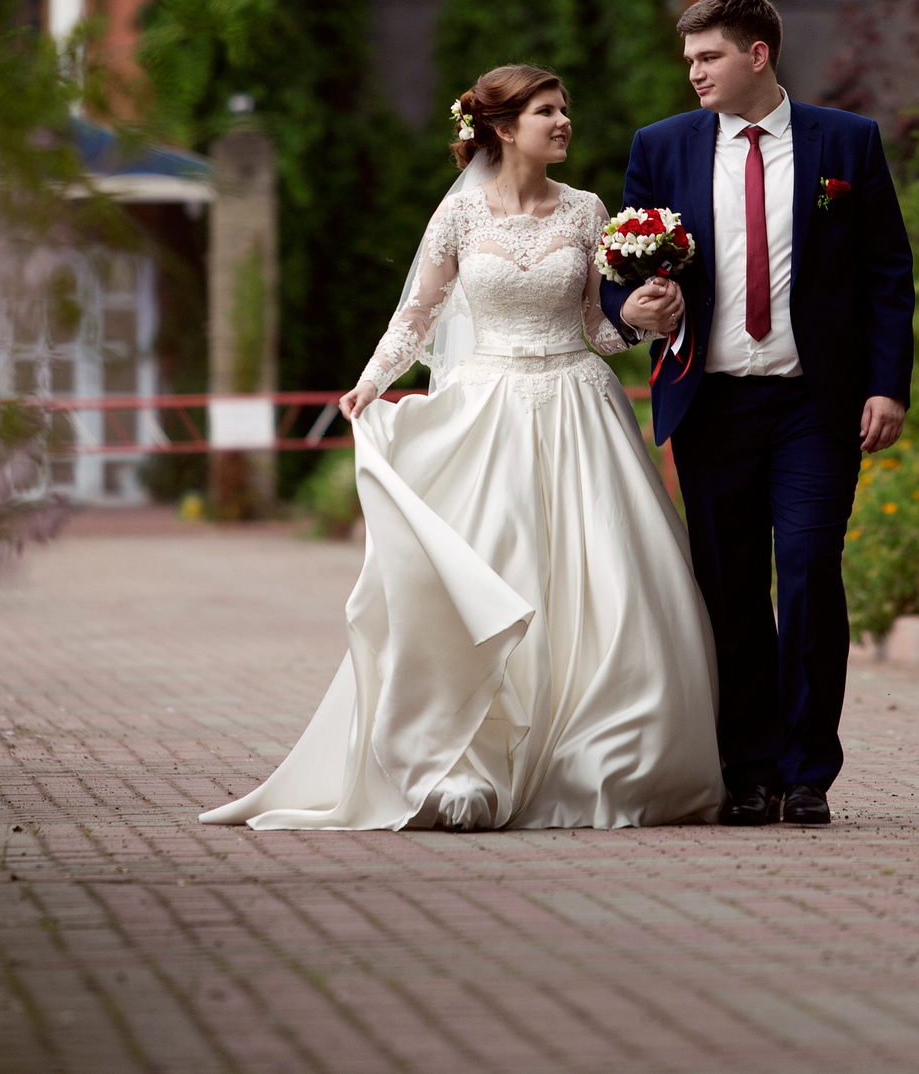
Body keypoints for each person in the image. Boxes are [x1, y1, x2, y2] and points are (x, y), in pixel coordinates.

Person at [200, 65, 722, 832]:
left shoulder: (586, 211)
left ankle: (600, 756)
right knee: (491, 576)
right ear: (504, 128)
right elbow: (416, 316)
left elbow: (596, 330)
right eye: (547, 111)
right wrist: (370, 383)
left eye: (565, 109)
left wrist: (645, 319)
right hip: (488, 407)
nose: (564, 121)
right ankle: (468, 759)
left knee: (604, 578)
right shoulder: (459, 216)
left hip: (578, 406)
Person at [600, 0, 913, 826]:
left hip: (817, 403)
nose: (694, 73)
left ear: (758, 55)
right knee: (730, 590)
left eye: (709, 57)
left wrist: (888, 385)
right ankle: (749, 771)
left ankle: (808, 772)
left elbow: (887, 273)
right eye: (690, 59)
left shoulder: (846, 142)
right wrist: (636, 306)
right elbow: (619, 270)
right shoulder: (660, 146)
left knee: (809, 573)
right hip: (711, 403)